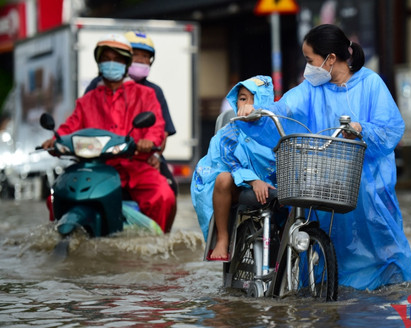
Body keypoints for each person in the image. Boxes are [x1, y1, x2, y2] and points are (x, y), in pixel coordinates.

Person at [236, 24, 411, 290]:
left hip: (368, 188)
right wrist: (255, 111)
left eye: (310, 60)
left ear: (331, 58)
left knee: (383, 252)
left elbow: (391, 129)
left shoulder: (371, 84)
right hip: (323, 182)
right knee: (323, 241)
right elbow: (282, 109)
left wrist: (362, 129)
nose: (308, 67)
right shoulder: (310, 89)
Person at [41, 33, 175, 233]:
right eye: (106, 59)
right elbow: (70, 127)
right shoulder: (87, 100)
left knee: (163, 196)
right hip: (95, 168)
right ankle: (58, 233)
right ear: (98, 63)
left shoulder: (146, 95)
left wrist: (148, 141)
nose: (111, 64)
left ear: (125, 64)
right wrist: (55, 140)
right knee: (56, 195)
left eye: (117, 60)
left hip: (135, 166)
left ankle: (157, 246)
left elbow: (156, 128)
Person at [85, 31, 178, 232]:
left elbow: (160, 130)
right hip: (102, 160)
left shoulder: (151, 92)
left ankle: (161, 236)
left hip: (140, 158)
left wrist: (154, 151)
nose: (141, 60)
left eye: (146, 57)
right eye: (137, 55)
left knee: (167, 190)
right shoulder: (96, 89)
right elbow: (78, 124)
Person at [191, 75, 276, 260]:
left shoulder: (277, 128)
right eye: (243, 98)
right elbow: (228, 163)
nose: (248, 105)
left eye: (254, 99)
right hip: (235, 186)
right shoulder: (229, 132)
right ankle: (222, 238)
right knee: (223, 178)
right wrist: (254, 181)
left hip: (271, 186)